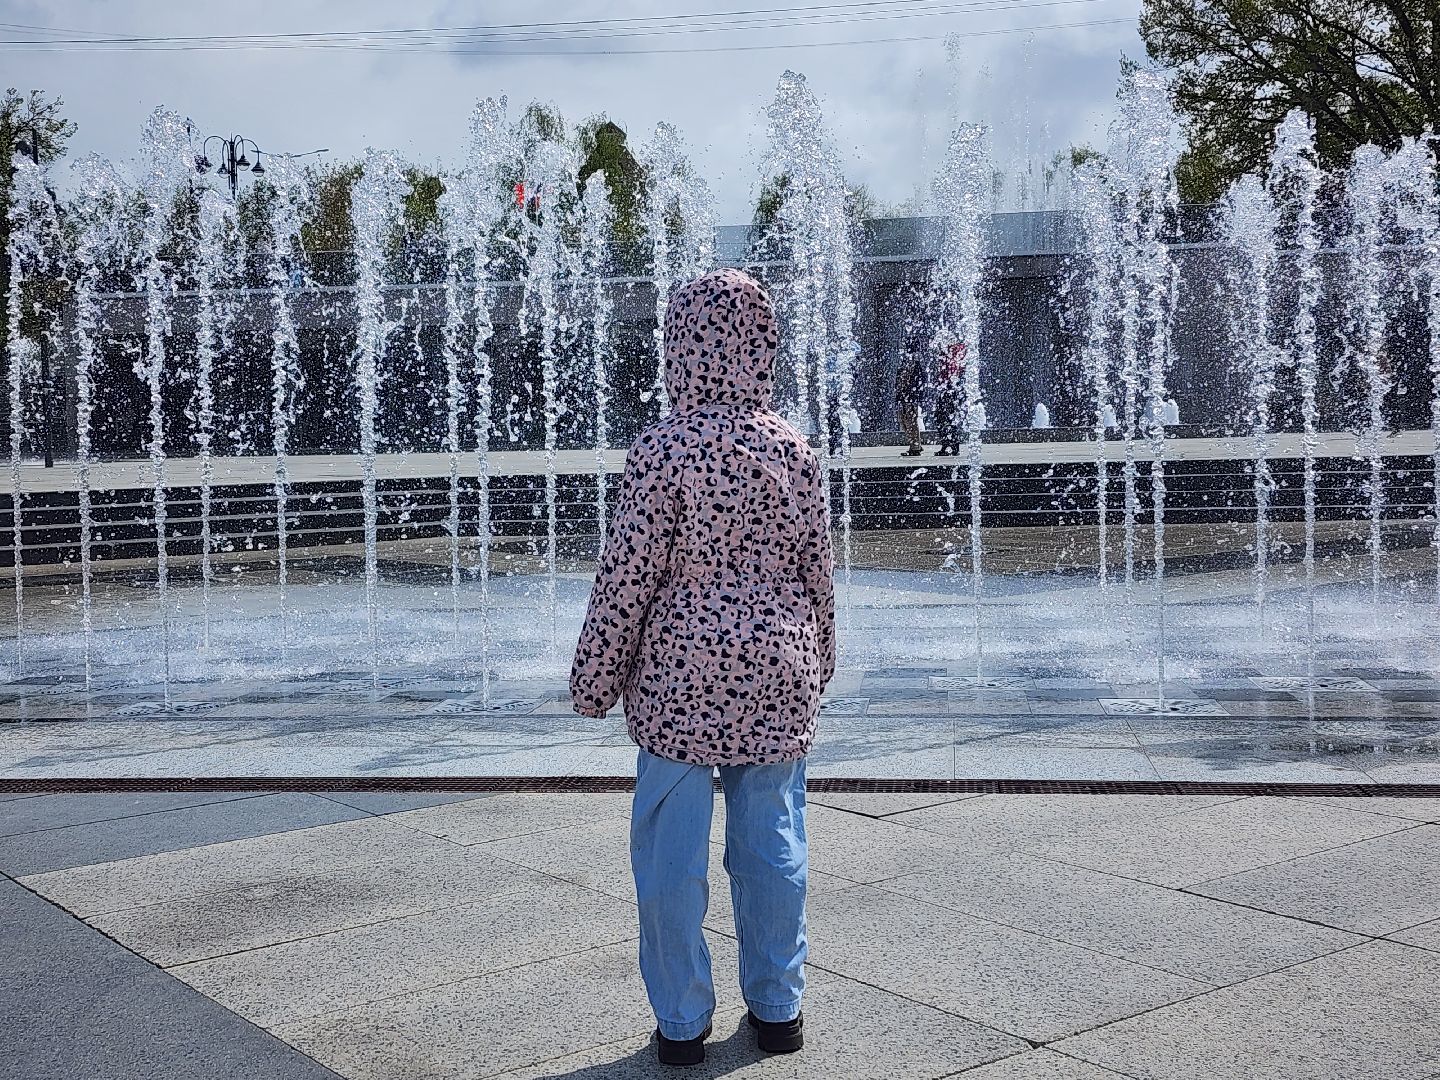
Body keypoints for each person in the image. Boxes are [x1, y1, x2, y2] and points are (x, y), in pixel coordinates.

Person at [571, 268, 837, 1067]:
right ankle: (779, 1009)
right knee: (774, 845)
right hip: (776, 672)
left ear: (679, 347)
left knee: (669, 856)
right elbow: (815, 570)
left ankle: (683, 1024)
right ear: (765, 345)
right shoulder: (795, 450)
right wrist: (822, 653)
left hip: (679, 679)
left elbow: (628, 576)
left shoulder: (661, 451)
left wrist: (594, 676)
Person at [932, 336, 967, 457]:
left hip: (948, 390)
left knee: (943, 417)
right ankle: (951, 445)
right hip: (951, 390)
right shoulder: (958, 353)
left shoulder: (951, 354)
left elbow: (949, 373)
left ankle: (950, 445)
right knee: (949, 418)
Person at [895, 348, 925, 455]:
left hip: (910, 398)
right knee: (906, 421)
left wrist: (912, 395)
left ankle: (915, 446)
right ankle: (914, 444)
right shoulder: (909, 363)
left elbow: (917, 381)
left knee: (911, 422)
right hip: (906, 397)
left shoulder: (914, 364)